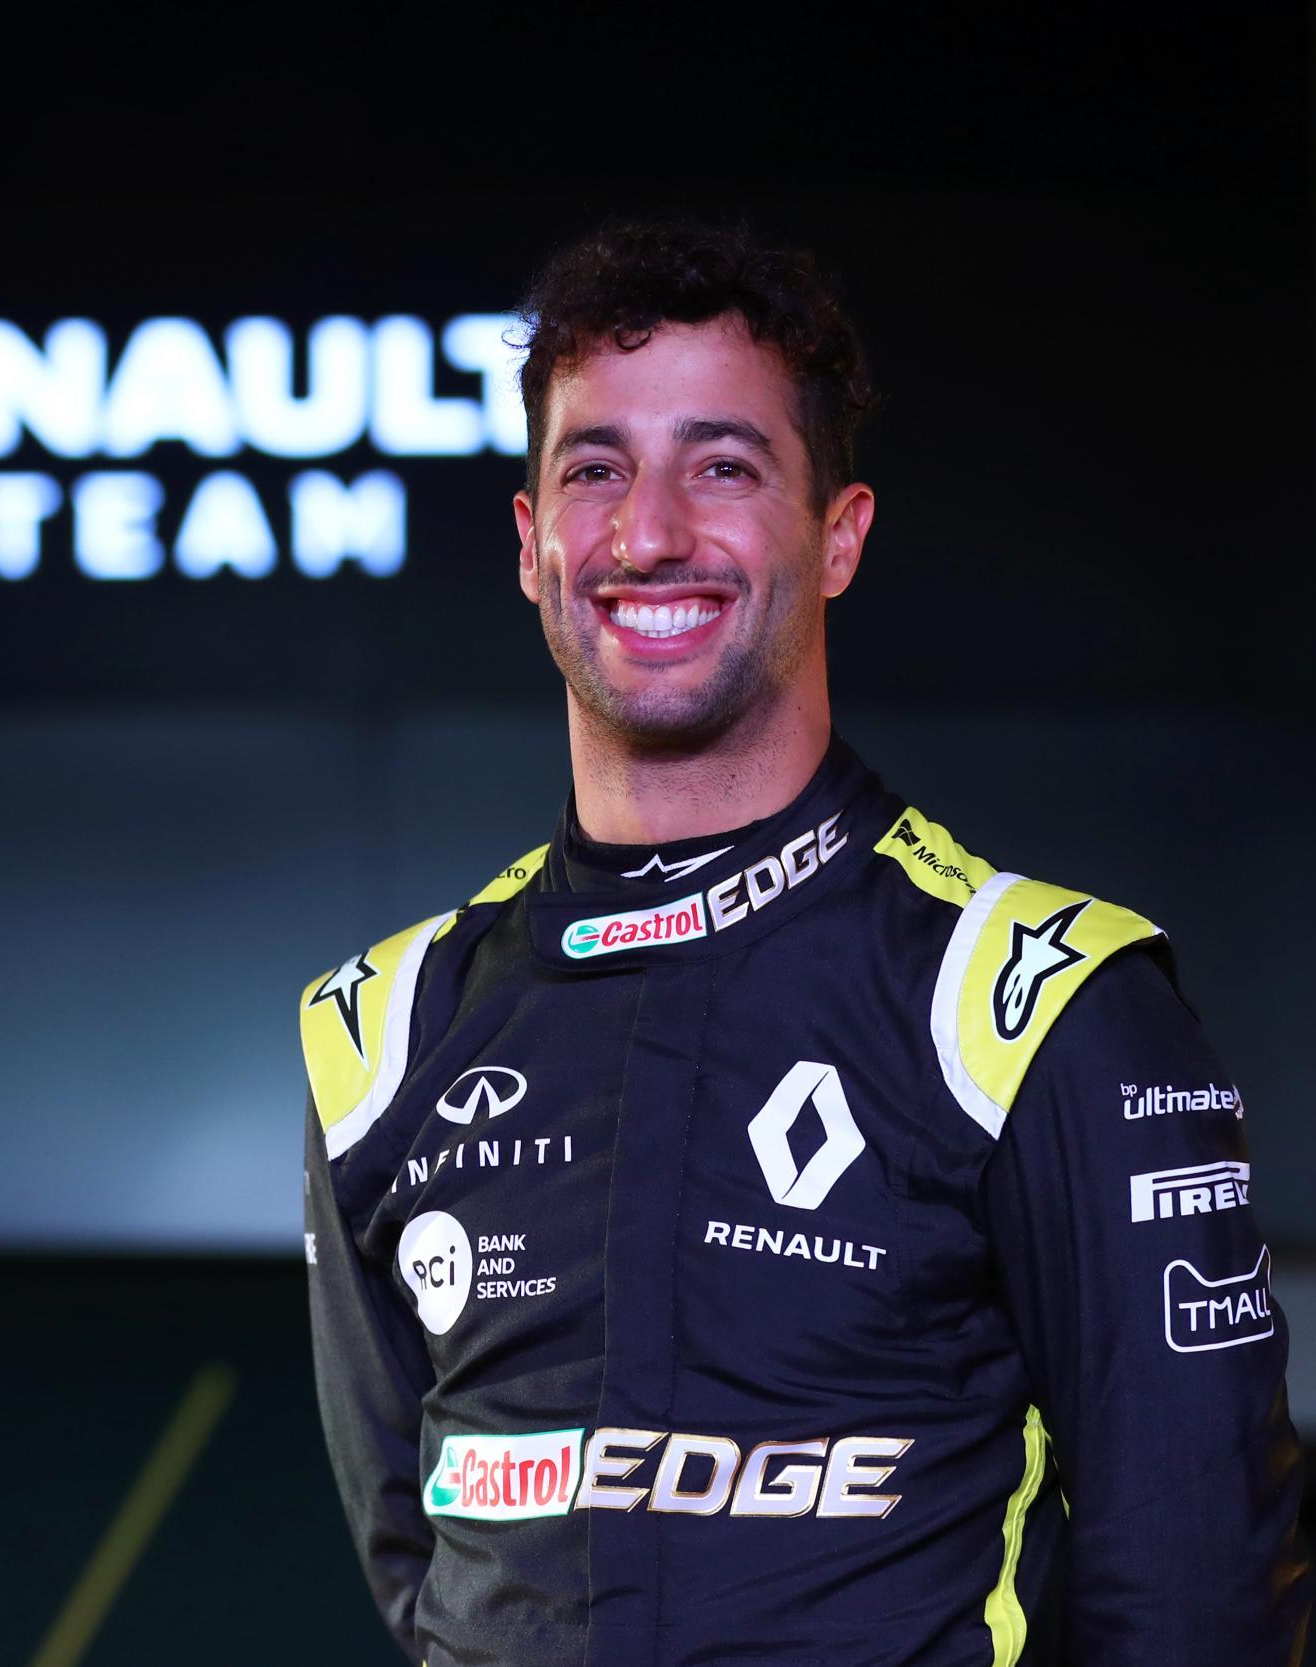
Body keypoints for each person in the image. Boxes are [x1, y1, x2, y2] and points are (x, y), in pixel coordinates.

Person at [300, 219, 1309, 1666]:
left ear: (837, 538)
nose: (647, 532)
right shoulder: (381, 1032)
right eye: (594, 468)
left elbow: (1197, 1599)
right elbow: (429, 1578)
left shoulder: (1034, 1009)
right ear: (530, 547)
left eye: (722, 466)